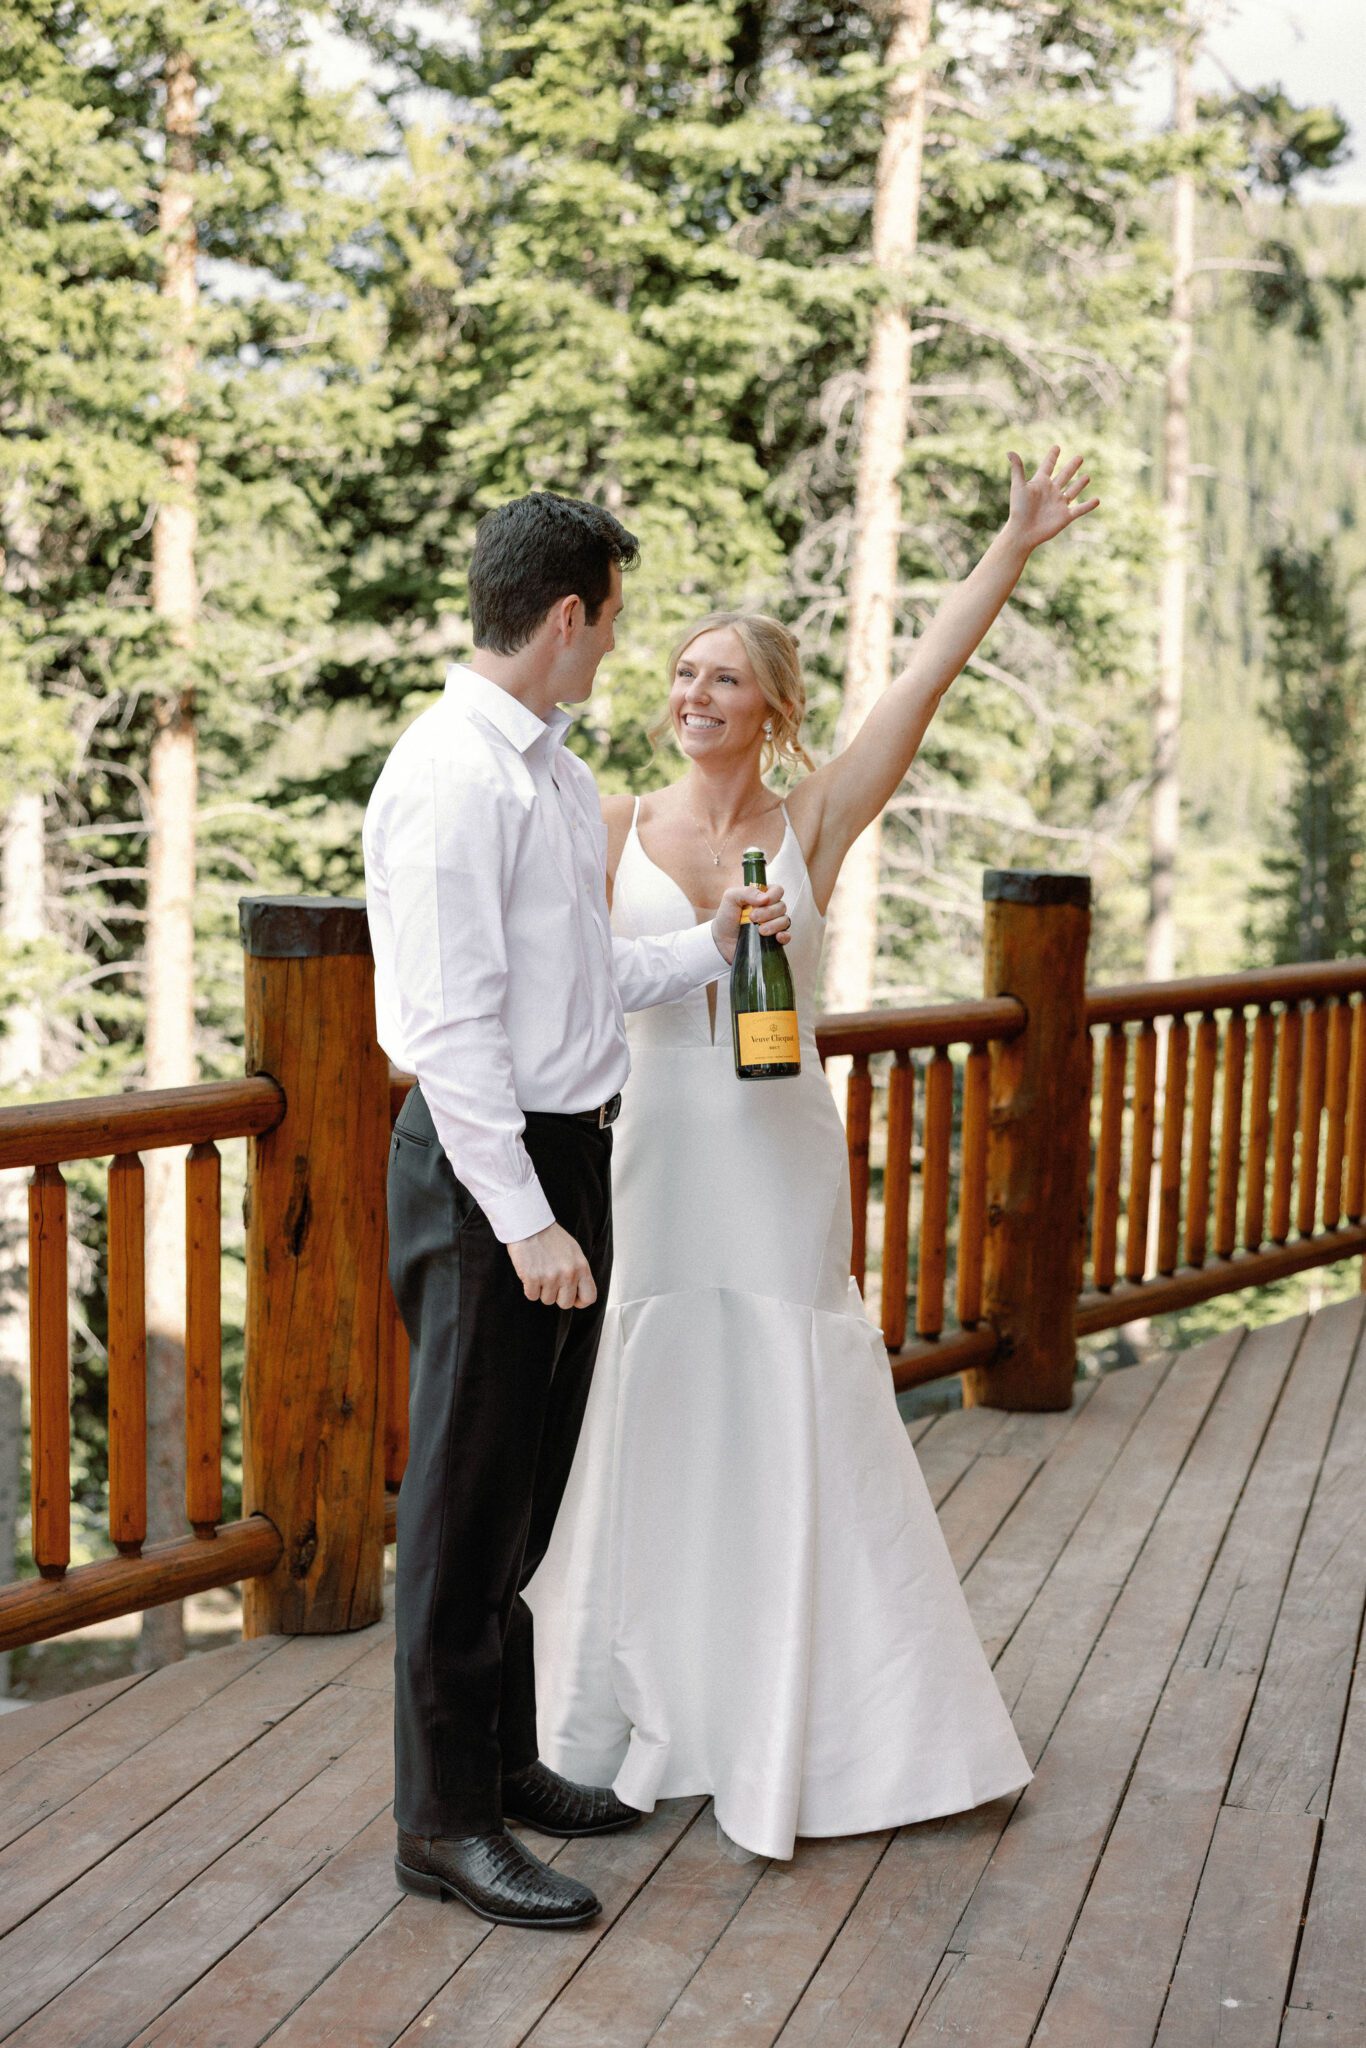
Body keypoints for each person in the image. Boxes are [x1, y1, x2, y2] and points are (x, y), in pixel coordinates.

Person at [526, 447, 1100, 1860]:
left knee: (790, 1386)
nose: (689, 695)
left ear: (772, 708)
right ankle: (639, 1707)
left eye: (722, 677)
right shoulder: (607, 828)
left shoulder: (815, 819)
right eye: (676, 672)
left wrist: (1012, 545)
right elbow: (561, 981)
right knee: (658, 1392)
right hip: (658, 1147)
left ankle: (835, 1717)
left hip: (779, 1153)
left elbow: (921, 680)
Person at [363, 491, 792, 1927]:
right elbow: (447, 1032)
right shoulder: (450, 779)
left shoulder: (547, 773)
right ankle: (443, 1825)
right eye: (612, 620)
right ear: (566, 617)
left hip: (566, 1154)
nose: (618, 650)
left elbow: (571, 986)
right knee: (461, 1502)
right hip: (491, 1176)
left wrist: (709, 951)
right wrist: (525, 1223)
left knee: (525, 1494)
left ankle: (504, 1763)